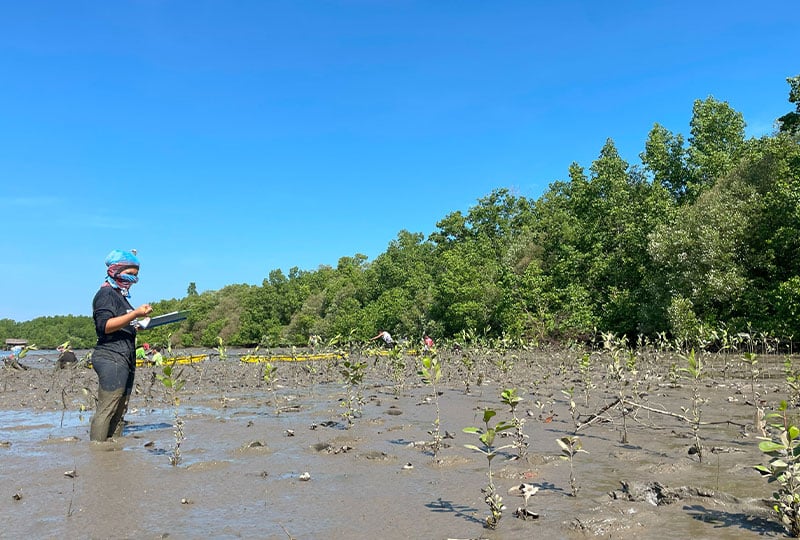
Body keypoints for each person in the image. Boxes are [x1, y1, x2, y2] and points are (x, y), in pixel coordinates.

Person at [89, 249, 152, 442]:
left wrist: (137, 325)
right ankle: (98, 450)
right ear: (115, 271)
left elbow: (121, 323)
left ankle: (112, 451)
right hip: (110, 357)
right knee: (107, 409)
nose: (133, 279)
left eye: (136, 275)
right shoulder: (106, 294)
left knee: (120, 409)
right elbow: (104, 326)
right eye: (129, 274)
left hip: (125, 357)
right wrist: (134, 315)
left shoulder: (121, 297)